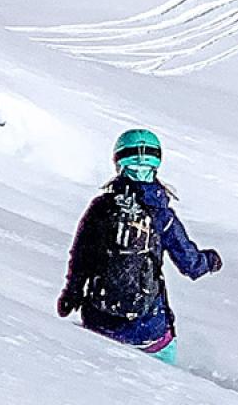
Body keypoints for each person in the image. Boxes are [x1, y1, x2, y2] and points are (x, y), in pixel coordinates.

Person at [57, 129, 222, 364]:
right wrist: (211, 261)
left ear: (118, 161)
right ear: (157, 162)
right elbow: (191, 265)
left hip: (99, 323)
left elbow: (81, 256)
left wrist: (70, 293)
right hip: (149, 330)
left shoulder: (101, 208)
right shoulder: (161, 215)